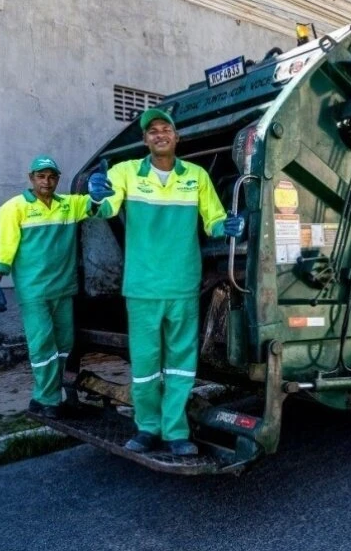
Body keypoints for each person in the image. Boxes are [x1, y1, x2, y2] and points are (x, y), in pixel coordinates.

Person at [88, 108, 244, 456]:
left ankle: (175, 432)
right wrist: (96, 195)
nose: (160, 134)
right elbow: (107, 209)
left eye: (166, 129)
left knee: (179, 366)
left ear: (177, 137)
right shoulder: (125, 172)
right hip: (143, 287)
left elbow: (213, 219)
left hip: (183, 286)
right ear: (145, 140)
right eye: (153, 130)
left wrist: (227, 226)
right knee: (145, 367)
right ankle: (146, 428)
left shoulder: (197, 176)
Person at [0, 155, 92, 419]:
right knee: (43, 346)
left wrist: (102, 191)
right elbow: (5, 247)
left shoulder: (68, 205)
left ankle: (42, 396)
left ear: (57, 179)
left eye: (52, 176)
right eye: (41, 176)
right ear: (31, 178)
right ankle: (49, 400)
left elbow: (100, 206)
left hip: (63, 288)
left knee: (64, 345)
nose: (47, 181)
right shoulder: (13, 208)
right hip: (34, 291)